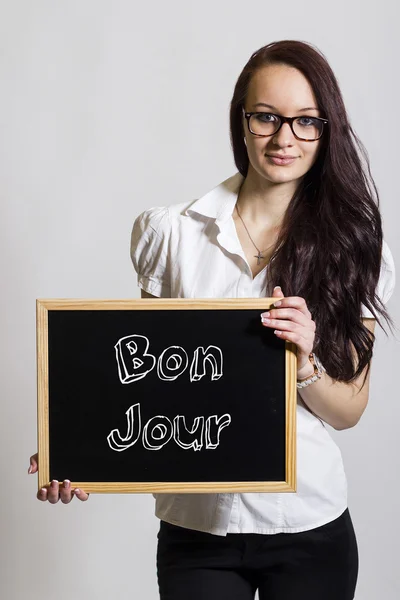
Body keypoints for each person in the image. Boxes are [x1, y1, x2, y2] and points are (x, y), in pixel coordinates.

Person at [28, 39, 396, 600]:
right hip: (196, 528)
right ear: (241, 120)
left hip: (308, 525)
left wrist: (304, 364)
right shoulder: (171, 233)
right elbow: (149, 374)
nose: (283, 138)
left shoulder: (357, 249)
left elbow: (349, 410)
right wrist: (75, 446)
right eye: (266, 117)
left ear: (327, 130)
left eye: (305, 122)